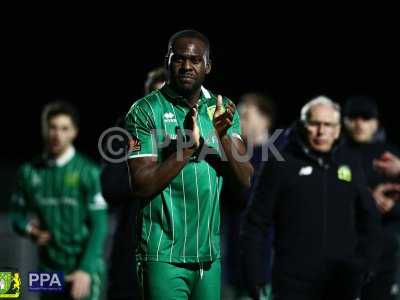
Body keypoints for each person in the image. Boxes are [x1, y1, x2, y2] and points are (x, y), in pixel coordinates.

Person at [124, 29, 253, 300]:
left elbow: (246, 179)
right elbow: (140, 184)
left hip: (209, 256)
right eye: (179, 59)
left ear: (208, 65)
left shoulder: (223, 108)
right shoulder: (145, 110)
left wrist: (222, 137)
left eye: (195, 60)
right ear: (168, 62)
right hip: (162, 254)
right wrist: (186, 151)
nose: (186, 66)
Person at [240, 96, 381, 300]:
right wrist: (253, 275)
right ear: (303, 125)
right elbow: (255, 223)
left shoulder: (350, 163)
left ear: (338, 129)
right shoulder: (280, 164)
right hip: (291, 285)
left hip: (341, 284)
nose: (321, 131)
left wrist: (366, 265)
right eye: (315, 124)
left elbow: (370, 219)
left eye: (328, 125)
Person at [10, 101, 108, 300]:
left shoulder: (88, 172)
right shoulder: (29, 172)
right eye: (52, 127)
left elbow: (99, 225)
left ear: (74, 133)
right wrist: (31, 230)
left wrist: (86, 269)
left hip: (82, 268)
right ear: (44, 129)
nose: (57, 134)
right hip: (48, 270)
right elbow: (16, 215)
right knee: (10, 289)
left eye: (64, 129)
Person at [101, 66, 166, 300]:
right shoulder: (126, 133)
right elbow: (110, 187)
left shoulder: (194, 138)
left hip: (178, 257)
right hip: (130, 256)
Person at [342, 96, 400, 300]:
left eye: (366, 118)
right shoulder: (334, 153)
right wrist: (368, 200)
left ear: (376, 123)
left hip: (386, 251)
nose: (359, 123)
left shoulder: (392, 155)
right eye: (353, 117)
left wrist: (390, 205)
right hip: (346, 247)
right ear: (344, 121)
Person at [220, 93, 276, 299]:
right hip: (231, 262)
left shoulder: (278, 156)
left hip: (264, 265)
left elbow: (247, 194)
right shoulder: (235, 153)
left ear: (265, 120)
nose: (238, 121)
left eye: (246, 116)